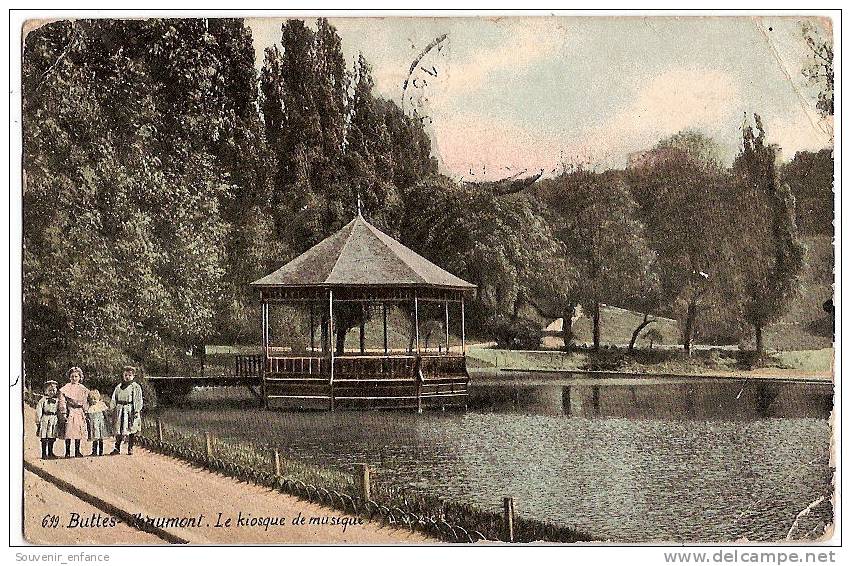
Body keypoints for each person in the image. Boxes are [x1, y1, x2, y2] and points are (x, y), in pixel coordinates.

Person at [57, 367, 90, 458]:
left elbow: (85, 401)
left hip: (79, 411)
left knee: (78, 431)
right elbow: (62, 401)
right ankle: (67, 452)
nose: (74, 378)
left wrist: (86, 411)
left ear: (80, 377)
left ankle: (77, 451)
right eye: (72, 376)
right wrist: (63, 412)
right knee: (69, 431)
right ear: (69, 377)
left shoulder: (83, 389)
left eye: (76, 376)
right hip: (70, 411)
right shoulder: (66, 388)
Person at [110, 366, 143, 455]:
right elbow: (114, 397)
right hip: (120, 409)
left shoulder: (135, 387)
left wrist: (136, 410)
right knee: (119, 428)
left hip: (130, 409)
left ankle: (130, 447)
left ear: (133, 376)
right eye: (125, 375)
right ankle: (117, 448)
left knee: (131, 428)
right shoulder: (119, 386)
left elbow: (138, 399)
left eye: (129, 375)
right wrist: (112, 407)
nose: (127, 377)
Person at [35, 380, 60, 459]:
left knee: (52, 436)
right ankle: (43, 454)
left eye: (53, 390)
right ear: (46, 391)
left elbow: (60, 410)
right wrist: (38, 420)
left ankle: (50, 452)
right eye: (50, 390)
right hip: (45, 419)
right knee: (44, 436)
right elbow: (39, 410)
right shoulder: (43, 400)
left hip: (54, 419)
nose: (52, 392)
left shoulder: (57, 400)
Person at [86, 390, 110, 456]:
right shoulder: (90, 407)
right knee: (95, 437)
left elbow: (105, 414)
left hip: (101, 424)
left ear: (98, 398)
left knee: (101, 438)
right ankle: (94, 451)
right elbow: (88, 416)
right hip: (93, 425)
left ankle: (101, 451)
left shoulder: (101, 405)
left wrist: (107, 421)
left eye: (95, 399)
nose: (93, 401)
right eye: (92, 399)